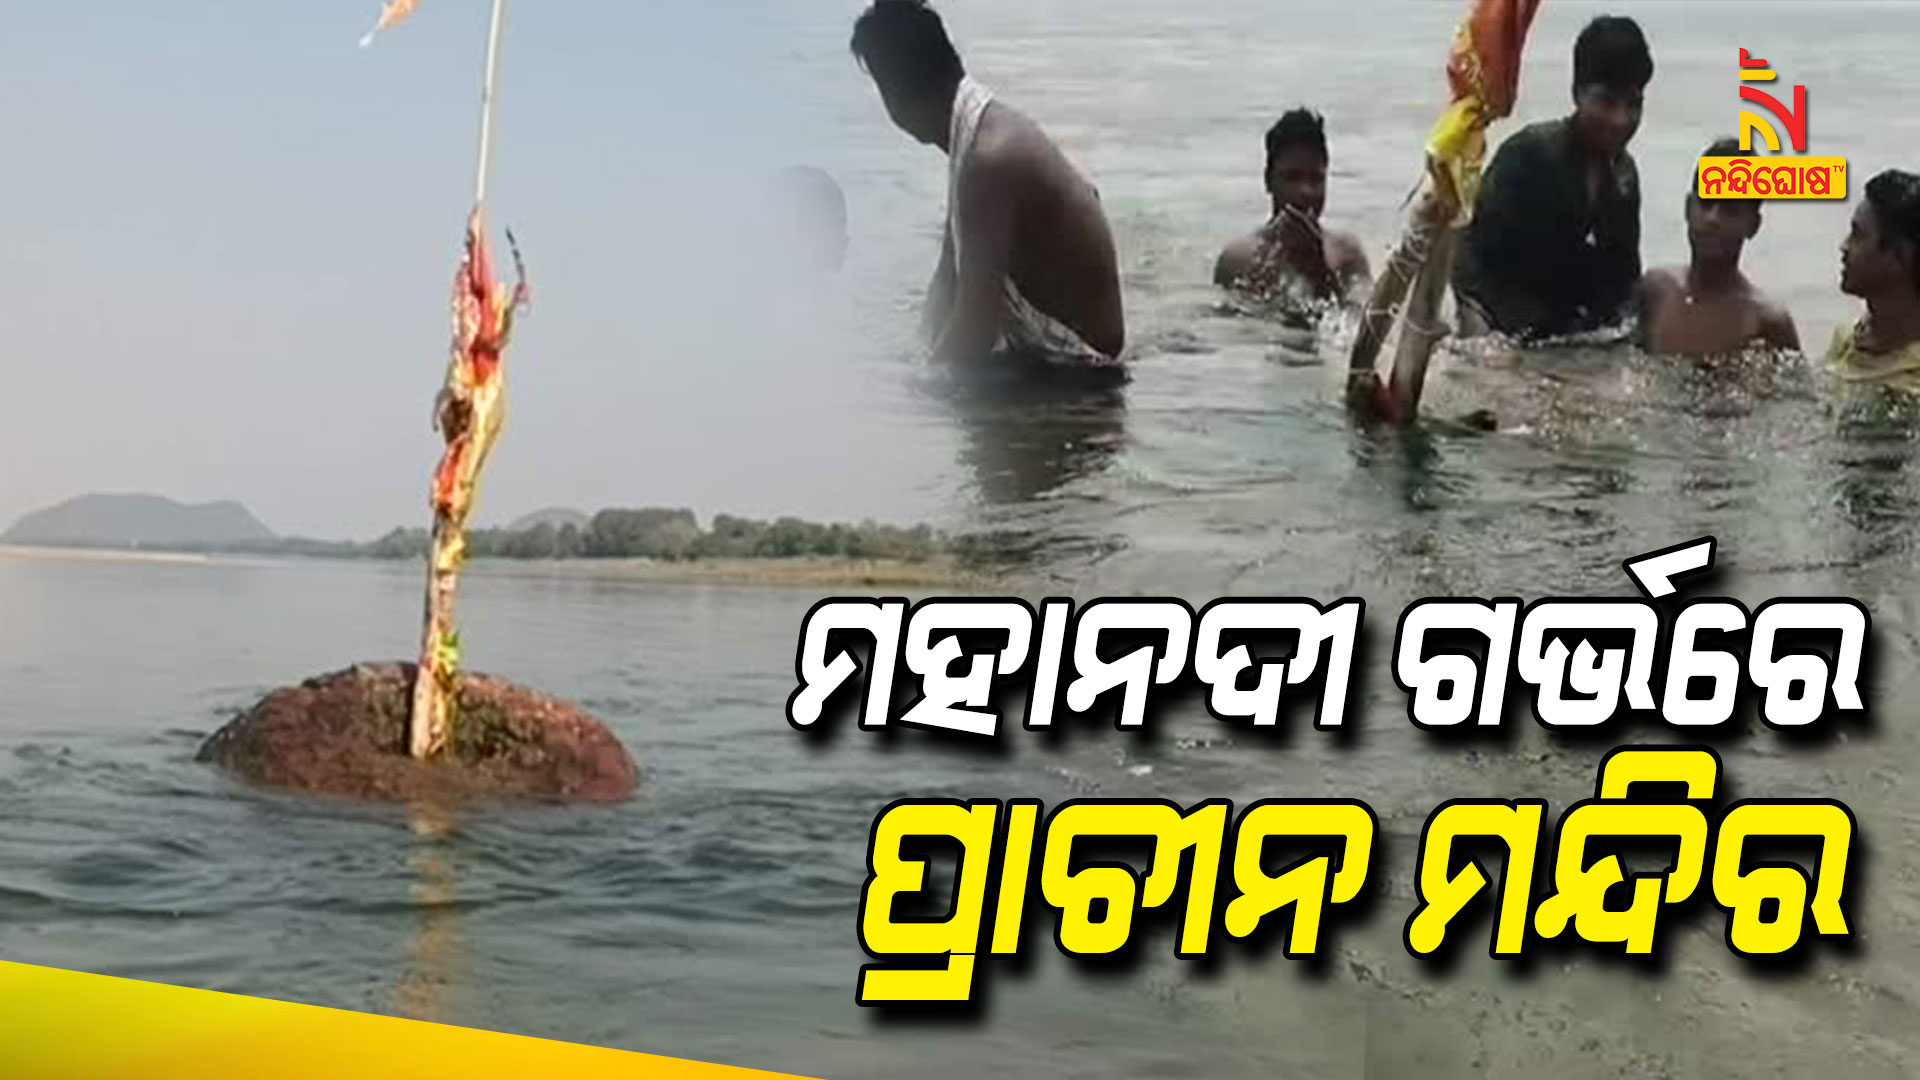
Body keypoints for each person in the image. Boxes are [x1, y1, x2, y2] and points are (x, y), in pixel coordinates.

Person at [850, 0, 1126, 376]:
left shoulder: (987, 161)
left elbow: (974, 328)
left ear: (895, 98)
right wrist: (919, 352)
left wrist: (907, 395)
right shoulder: (975, 136)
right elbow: (948, 275)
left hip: (1086, 379)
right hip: (1057, 363)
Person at [1452, 15, 1653, 341]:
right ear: (1577, 94)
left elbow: (1624, 280)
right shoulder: (1527, 156)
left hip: (1575, 343)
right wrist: (1486, 349)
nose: (1621, 119)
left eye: (1633, 104)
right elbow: (1468, 267)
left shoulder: (1624, 177)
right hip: (1509, 338)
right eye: (1606, 101)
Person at [1634, 138, 1799, 356]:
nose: (1712, 218)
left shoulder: (1765, 322)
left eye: (1730, 209)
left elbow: (1795, 390)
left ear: (1753, 225)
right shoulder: (1657, 290)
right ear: (1687, 208)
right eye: (1706, 203)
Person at [1215, 109, 1371, 313]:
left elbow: (1365, 325)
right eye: (1292, 177)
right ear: (1268, 181)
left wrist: (1320, 275)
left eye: (1316, 178)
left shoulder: (1347, 255)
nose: (1305, 191)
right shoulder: (1238, 261)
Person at [1829, 169, 1920, 390]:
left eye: (1857, 235)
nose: (1844, 247)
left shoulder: (1913, 381)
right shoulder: (1845, 340)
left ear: (1900, 256)